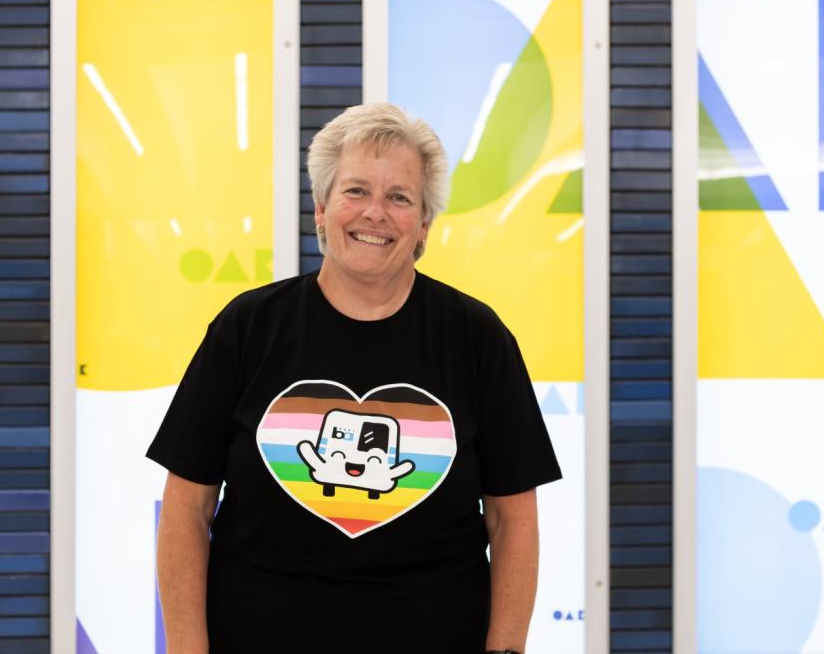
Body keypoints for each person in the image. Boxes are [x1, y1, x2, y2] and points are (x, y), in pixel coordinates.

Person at [147, 102, 562, 654]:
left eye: (399, 197)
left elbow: (513, 521)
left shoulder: (477, 338)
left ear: (424, 224)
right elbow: (186, 506)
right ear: (321, 208)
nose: (376, 214)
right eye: (356, 191)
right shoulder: (247, 328)